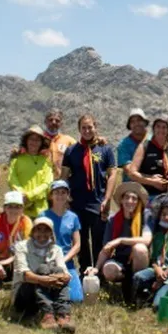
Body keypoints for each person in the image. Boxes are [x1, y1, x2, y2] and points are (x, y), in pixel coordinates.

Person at [61, 114, 117, 272]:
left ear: (95, 127)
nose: (87, 130)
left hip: (98, 202)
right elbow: (64, 176)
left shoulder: (104, 149)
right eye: (83, 128)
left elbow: (112, 174)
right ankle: (85, 271)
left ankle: (99, 272)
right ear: (79, 129)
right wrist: (65, 199)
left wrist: (107, 198)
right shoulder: (71, 151)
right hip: (77, 203)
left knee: (99, 239)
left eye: (90, 127)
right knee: (81, 240)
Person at [12, 217, 76, 333]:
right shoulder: (21, 247)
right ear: (33, 232)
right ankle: (47, 314)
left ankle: (63, 314)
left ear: (51, 234)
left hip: (48, 290)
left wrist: (58, 277)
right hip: (25, 294)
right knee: (43, 268)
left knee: (58, 270)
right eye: (38, 230)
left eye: (46, 230)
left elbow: (65, 274)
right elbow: (25, 275)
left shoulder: (56, 250)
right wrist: (45, 280)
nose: (42, 233)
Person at [93, 182, 152, 303]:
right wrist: (96, 268)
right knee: (108, 269)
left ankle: (139, 287)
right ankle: (128, 283)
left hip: (140, 259)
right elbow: (107, 249)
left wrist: (120, 240)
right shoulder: (113, 219)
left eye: (134, 198)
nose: (130, 201)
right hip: (121, 259)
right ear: (121, 200)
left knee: (139, 248)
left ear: (138, 201)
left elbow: (147, 240)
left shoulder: (146, 216)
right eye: (127, 197)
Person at [132, 194, 168, 308]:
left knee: (158, 305)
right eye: (164, 214)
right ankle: (142, 298)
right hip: (158, 271)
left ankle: (167, 293)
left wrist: (165, 274)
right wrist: (157, 269)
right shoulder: (158, 236)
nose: (166, 217)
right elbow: (154, 259)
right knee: (138, 277)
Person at [0, 191, 33, 290]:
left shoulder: (26, 223)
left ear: (22, 208)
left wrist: (7, 262)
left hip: (15, 261)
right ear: (4, 208)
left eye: (17, 207)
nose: (13, 210)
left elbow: (28, 251)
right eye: (10, 206)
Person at [42, 180, 83, 301]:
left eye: (63, 192)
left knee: (76, 299)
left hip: (67, 262)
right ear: (51, 195)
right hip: (47, 261)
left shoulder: (73, 217)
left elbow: (77, 245)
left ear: (68, 195)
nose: (60, 196)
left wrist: (63, 261)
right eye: (57, 192)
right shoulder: (43, 216)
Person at [8, 125, 54, 218]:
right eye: (31, 139)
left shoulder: (46, 162)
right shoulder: (16, 160)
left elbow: (47, 183)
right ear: (26, 141)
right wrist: (21, 194)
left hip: (41, 210)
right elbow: (12, 179)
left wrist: (29, 196)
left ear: (41, 143)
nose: (34, 142)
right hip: (19, 208)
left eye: (37, 140)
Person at [126, 115, 168, 200]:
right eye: (158, 126)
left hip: (167, 195)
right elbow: (132, 173)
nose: (161, 130)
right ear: (153, 129)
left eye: (164, 127)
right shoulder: (144, 146)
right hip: (147, 196)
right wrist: (152, 181)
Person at [117, 108, 150, 182]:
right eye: (133, 121)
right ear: (130, 125)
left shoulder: (154, 140)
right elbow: (129, 172)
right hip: (132, 185)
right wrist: (152, 180)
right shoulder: (123, 145)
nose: (136, 124)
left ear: (145, 122)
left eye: (139, 120)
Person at [43, 108, 77, 180]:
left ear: (61, 123)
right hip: (42, 181)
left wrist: (97, 140)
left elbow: (83, 148)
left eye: (57, 120)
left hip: (61, 184)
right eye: (50, 120)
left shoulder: (68, 140)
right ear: (45, 121)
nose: (54, 122)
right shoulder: (38, 139)